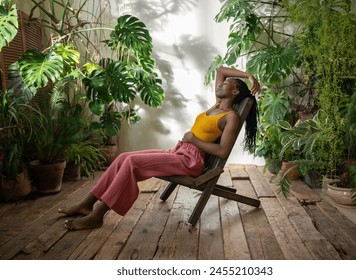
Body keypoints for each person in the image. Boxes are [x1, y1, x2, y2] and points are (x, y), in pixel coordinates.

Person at [58, 67, 261, 230]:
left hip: (191, 160)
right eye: (223, 83)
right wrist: (248, 76)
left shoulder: (230, 117)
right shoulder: (216, 105)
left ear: (234, 92)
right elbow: (221, 70)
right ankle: (87, 203)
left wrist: (194, 139)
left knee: (131, 163)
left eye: (227, 84)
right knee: (123, 157)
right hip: (179, 151)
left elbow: (223, 152)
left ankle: (97, 215)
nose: (221, 83)